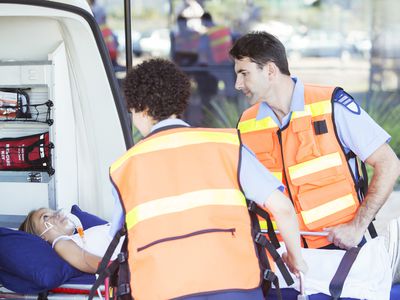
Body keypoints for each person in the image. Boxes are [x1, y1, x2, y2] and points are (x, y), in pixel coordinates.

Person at [109, 58, 307, 299]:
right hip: (237, 287)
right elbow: (283, 208)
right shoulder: (227, 145)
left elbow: (116, 242)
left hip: (162, 290)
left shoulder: (125, 167)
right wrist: (296, 260)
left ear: (141, 110)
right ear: (180, 101)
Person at [229, 31, 400, 250]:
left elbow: (389, 163)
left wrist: (357, 227)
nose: (237, 84)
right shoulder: (246, 124)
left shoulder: (331, 105)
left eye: (244, 73)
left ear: (270, 70)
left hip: (340, 250)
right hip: (281, 260)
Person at [19, 207, 124, 274]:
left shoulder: (78, 237)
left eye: (52, 211)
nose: (57, 214)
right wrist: (127, 270)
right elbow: (88, 261)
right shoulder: (60, 244)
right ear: (42, 237)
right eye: (45, 217)